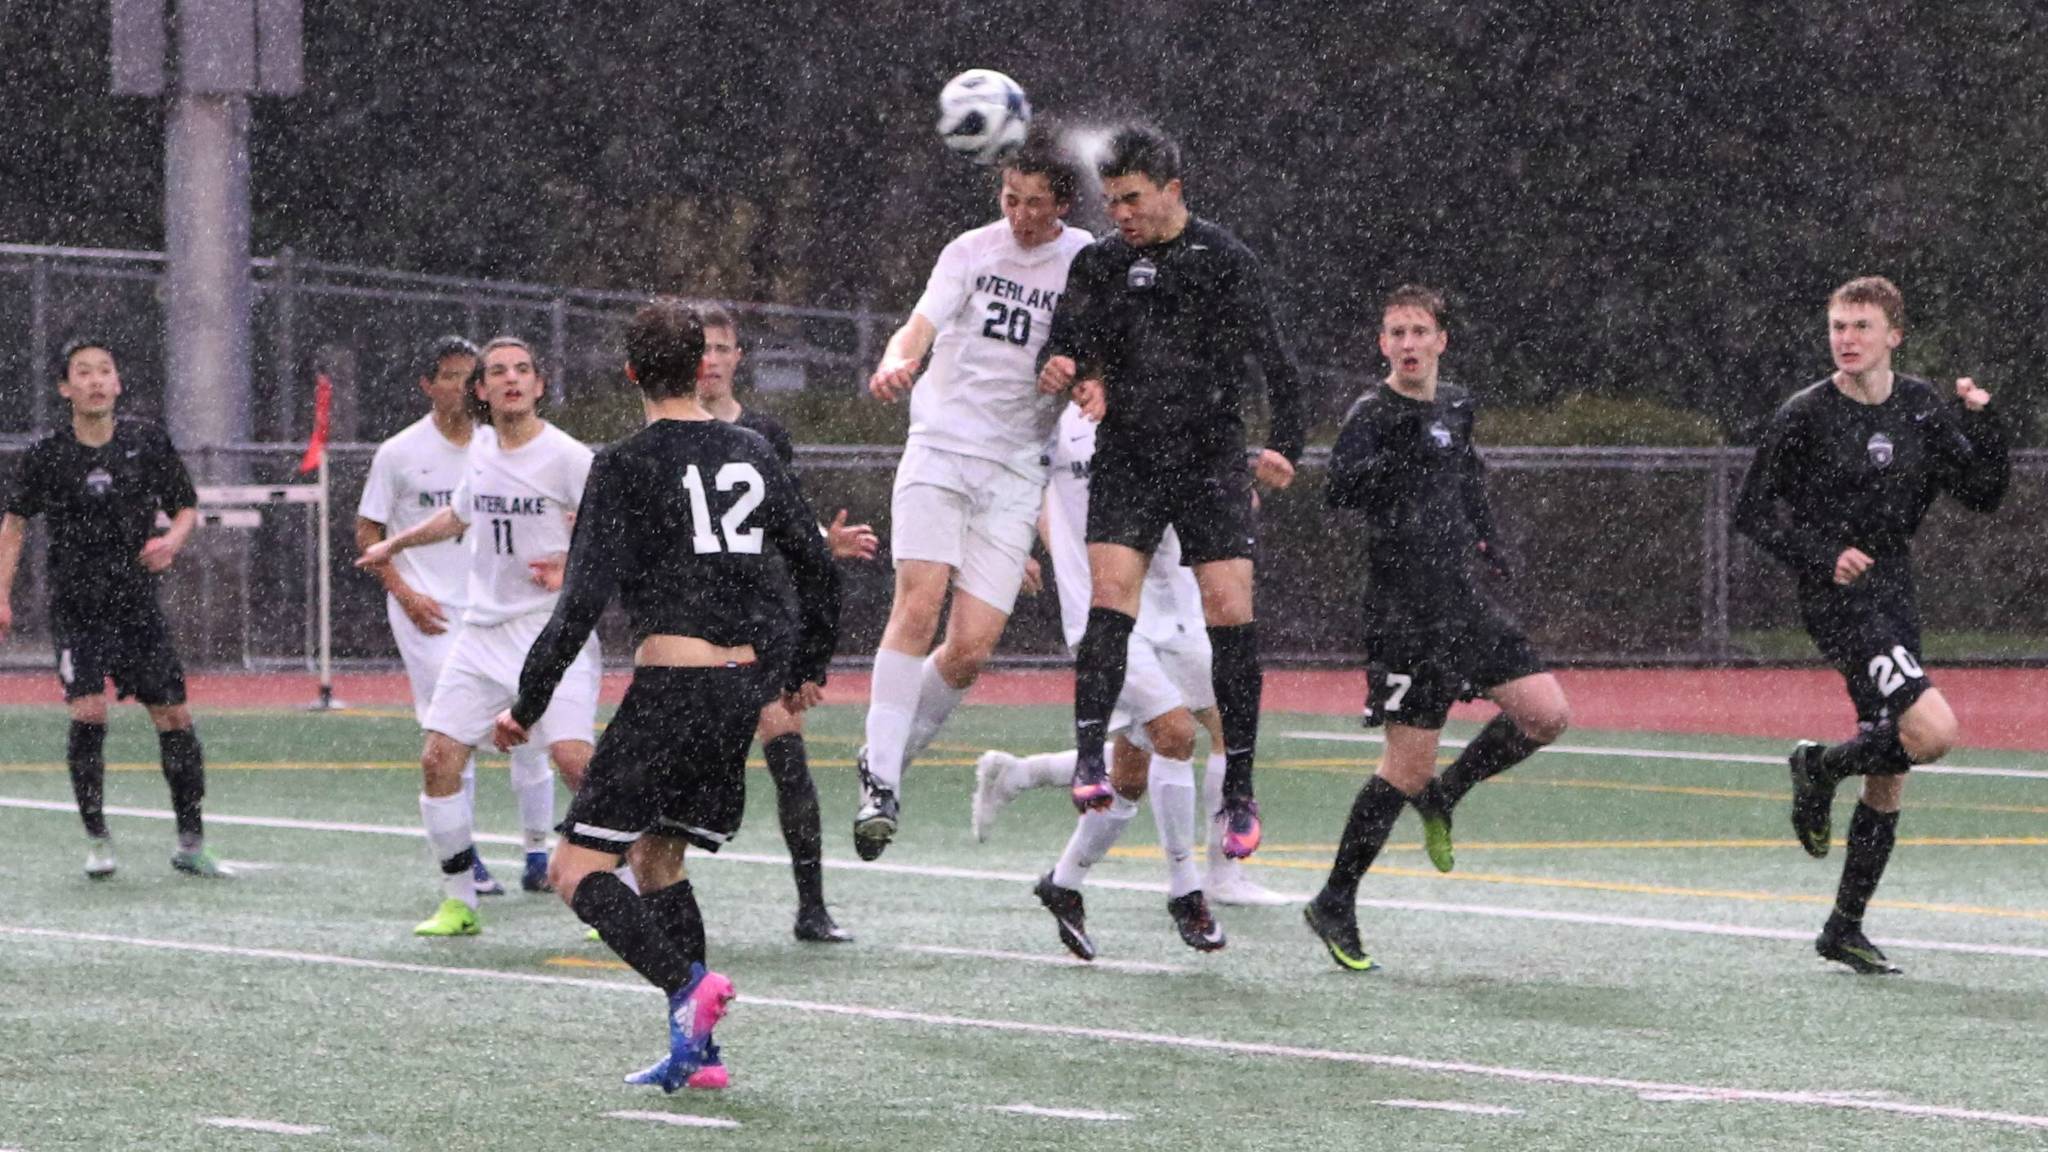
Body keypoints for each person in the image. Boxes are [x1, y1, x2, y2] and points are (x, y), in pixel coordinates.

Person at [491, 298, 840, 1093]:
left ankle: (689, 987)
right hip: (738, 690)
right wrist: (805, 666)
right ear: (701, 367)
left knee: (576, 869)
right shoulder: (752, 450)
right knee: (659, 857)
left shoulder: (622, 463)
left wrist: (525, 704)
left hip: (673, 687)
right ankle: (700, 1052)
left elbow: (577, 608)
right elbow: (817, 567)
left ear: (631, 373)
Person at [1036, 123, 1306, 861]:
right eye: (1111, 200)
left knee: (1230, 606)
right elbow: (1066, 344)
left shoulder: (1224, 259)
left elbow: (1279, 364)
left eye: (1132, 199)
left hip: (1210, 456)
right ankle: (1090, 756)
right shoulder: (1098, 263)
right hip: (1128, 455)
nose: (1119, 213)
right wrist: (1068, 369)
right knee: (1110, 596)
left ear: (1173, 191)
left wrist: (1286, 443)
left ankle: (1241, 788)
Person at [1735, 276, 2007, 976]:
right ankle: (1818, 765)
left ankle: (1844, 927)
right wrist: (1821, 555)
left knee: (1890, 768)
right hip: (1840, 599)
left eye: (1861, 326)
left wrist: (1985, 421)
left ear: (1894, 335)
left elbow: (1983, 493)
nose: (1846, 339)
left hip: (1896, 592)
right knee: (1933, 733)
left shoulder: (1918, 405)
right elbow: (1752, 512)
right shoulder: (1804, 414)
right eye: (1837, 326)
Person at [1298, 286, 1570, 972]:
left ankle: (1447, 794)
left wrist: (1487, 536)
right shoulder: (1373, 412)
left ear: (1441, 341)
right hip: (1404, 615)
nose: (1410, 343)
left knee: (1546, 715)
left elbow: (1467, 473)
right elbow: (1339, 491)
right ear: (1383, 344)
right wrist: (1399, 456)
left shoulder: (1456, 401)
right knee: (1403, 766)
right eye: (1397, 333)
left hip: (1461, 602)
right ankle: (1334, 899)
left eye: (1421, 331)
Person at [853, 131, 1092, 860]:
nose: (1019, 215)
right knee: (917, 604)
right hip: (942, 448)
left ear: (1064, 204)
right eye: (1010, 199)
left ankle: (889, 755)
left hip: (1017, 469)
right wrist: (899, 360)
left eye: (1035, 204)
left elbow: (1099, 348)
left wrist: (1074, 367)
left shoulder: (1086, 259)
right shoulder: (969, 250)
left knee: (970, 651)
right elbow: (918, 325)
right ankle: (880, 781)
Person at [973, 404, 1290, 951]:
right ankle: (1188, 888)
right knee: (1175, 733)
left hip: (1178, 605)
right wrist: (1014, 545)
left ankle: (1062, 876)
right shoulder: (1056, 417)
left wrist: (1244, 474)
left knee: (1152, 759)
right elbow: (1007, 477)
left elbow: (1209, 472)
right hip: (1109, 617)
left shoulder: (1160, 401)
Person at [356, 337, 598, 937]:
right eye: (498, 372)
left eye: (523, 370)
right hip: (481, 633)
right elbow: (460, 514)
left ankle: (617, 891)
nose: (511, 379)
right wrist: (395, 544)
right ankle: (459, 899)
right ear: (482, 390)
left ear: (540, 385)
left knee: (574, 762)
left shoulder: (569, 457)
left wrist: (572, 564)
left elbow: (616, 533)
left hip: (549, 634)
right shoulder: (484, 448)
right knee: (439, 758)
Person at [0, 338, 228, 879]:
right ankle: (98, 840)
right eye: (83, 372)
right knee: (89, 712)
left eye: (105, 371)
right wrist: (0, 596)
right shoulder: (47, 455)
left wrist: (172, 540)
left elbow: (186, 507)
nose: (96, 380)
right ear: (65, 388)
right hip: (77, 608)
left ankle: (191, 842)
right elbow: (14, 526)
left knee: (173, 715)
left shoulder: (146, 442)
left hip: (137, 606)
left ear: (119, 383)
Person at [694, 304, 877, 942]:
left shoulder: (764, 434)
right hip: (690, 624)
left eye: (721, 348)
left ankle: (812, 907)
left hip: (757, 619)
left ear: (738, 357)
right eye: (700, 348)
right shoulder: (669, 435)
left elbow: (789, 531)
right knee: (675, 766)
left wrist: (825, 546)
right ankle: (635, 884)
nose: (710, 360)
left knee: (787, 753)